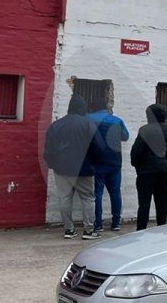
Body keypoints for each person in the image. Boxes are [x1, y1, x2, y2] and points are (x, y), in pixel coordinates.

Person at [44, 95, 104, 240]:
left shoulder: (55, 125)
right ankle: (89, 230)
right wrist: (93, 162)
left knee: (64, 198)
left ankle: (69, 230)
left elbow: (48, 149)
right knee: (88, 198)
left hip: (61, 168)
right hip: (84, 168)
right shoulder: (88, 124)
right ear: (83, 108)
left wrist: (53, 164)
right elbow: (100, 147)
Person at [87, 97, 129, 232]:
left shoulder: (88, 118)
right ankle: (116, 222)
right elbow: (125, 136)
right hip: (115, 161)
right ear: (106, 108)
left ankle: (98, 224)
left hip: (96, 161)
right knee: (115, 192)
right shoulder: (116, 120)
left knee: (97, 193)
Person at [130, 104, 167, 230]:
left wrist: (136, 164)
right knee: (162, 202)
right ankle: (161, 227)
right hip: (164, 170)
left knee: (144, 204)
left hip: (146, 171)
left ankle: (141, 229)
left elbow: (136, 151)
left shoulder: (145, 130)